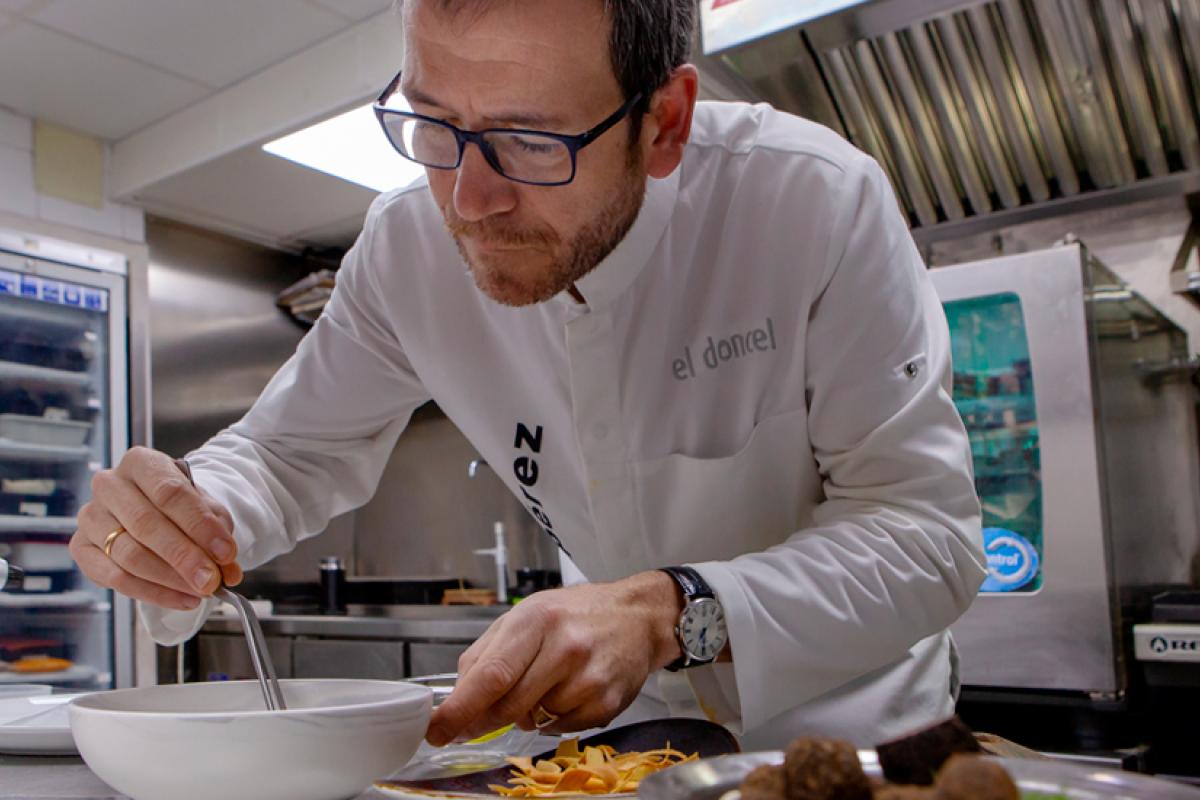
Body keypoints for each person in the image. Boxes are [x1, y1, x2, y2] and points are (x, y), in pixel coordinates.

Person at [70, 0, 986, 750]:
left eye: (532, 139)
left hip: (855, 742)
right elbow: (284, 455)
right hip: (626, 751)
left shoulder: (812, 202)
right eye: (433, 122)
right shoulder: (404, 251)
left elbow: (926, 539)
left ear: (664, 123)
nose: (469, 202)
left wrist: (670, 612)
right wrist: (189, 517)